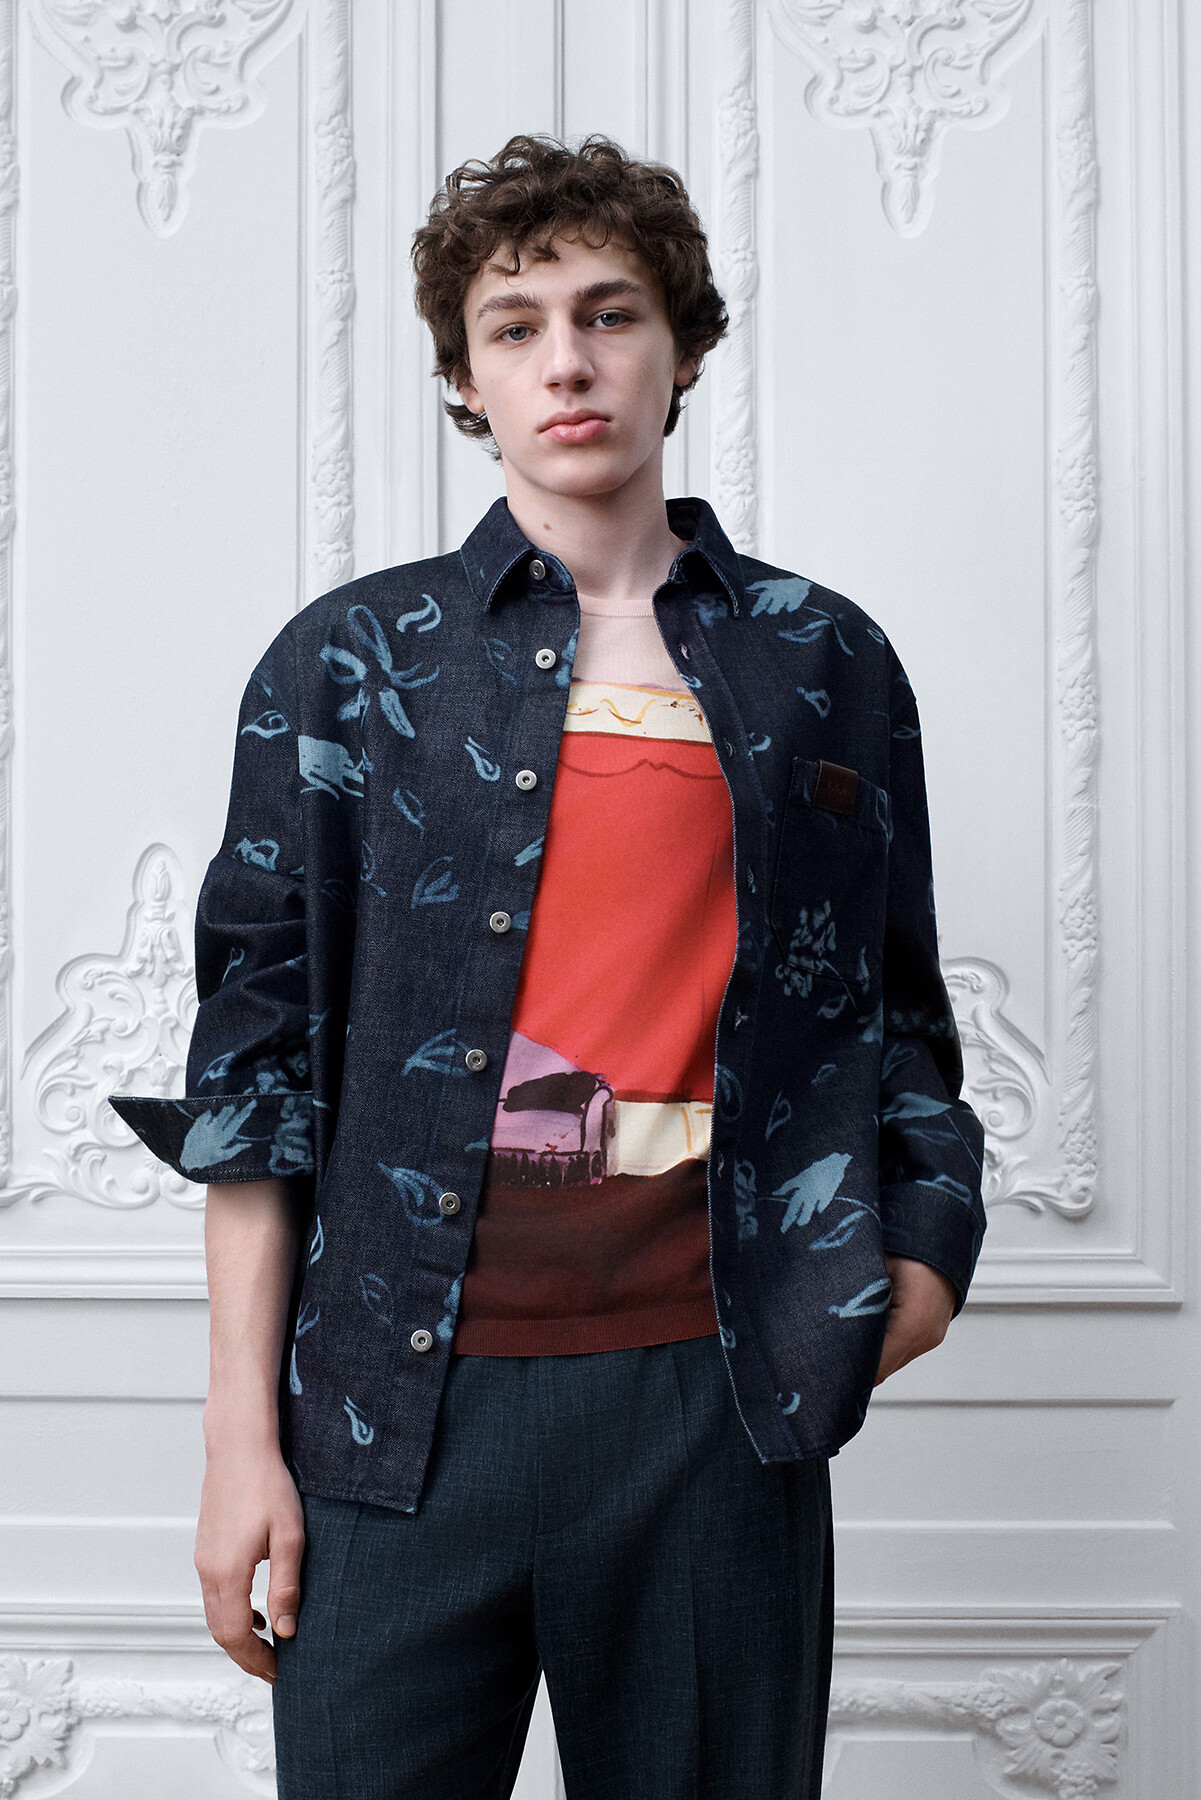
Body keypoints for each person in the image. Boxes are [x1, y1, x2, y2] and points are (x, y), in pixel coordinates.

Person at [109, 132, 987, 1800]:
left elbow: (893, 1016)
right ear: (466, 377)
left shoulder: (823, 660)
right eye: (514, 328)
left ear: (683, 347)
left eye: (608, 313)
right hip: (388, 1410)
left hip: (713, 1401)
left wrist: (917, 1274)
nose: (565, 362)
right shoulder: (350, 662)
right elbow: (257, 1076)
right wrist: (238, 1442)